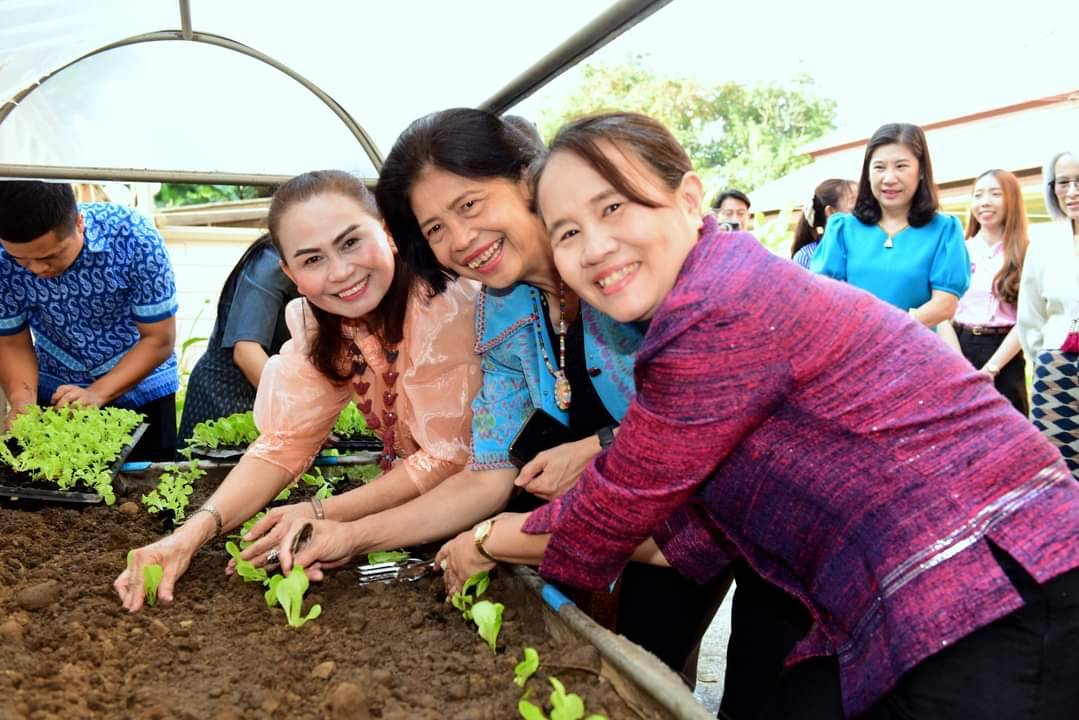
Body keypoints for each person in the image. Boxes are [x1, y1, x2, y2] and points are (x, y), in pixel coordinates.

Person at [436, 112, 1079, 720]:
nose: (595, 246)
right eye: (568, 232)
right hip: (928, 586)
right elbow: (694, 533)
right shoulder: (704, 294)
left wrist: (487, 539)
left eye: (614, 207)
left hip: (996, 577)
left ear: (690, 198)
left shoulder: (718, 304)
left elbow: (614, 506)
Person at [264, 108, 728, 680]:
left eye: (470, 204)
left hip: (709, 529)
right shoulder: (504, 308)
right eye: (435, 228)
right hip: (624, 529)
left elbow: (690, 479)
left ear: (528, 179)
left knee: (656, 672)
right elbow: (488, 474)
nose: (460, 240)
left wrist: (499, 534)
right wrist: (350, 536)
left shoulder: (625, 278)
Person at [116, 170, 481, 611]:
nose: (341, 272)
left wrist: (323, 512)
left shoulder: (442, 305)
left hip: (494, 512)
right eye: (312, 260)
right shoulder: (322, 326)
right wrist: (189, 535)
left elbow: (447, 456)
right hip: (429, 517)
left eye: (351, 242)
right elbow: (285, 444)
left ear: (386, 230)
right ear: (289, 272)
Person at [0, 181, 179, 461]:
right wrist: (23, 402)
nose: (37, 269)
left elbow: (159, 339)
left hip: (141, 383)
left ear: (79, 223)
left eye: (50, 256)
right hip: (57, 388)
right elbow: (11, 342)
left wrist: (97, 393)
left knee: (146, 479)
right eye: (21, 260)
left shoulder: (134, 237)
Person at [812, 123, 970, 328]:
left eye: (901, 166)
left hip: (913, 344)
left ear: (921, 170)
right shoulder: (842, 228)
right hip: (852, 343)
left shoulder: (944, 230)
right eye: (879, 167)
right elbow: (823, 296)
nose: (889, 178)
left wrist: (885, 332)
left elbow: (944, 305)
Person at [177, 234, 299, 444]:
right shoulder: (272, 259)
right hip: (226, 397)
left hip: (277, 395)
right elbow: (246, 351)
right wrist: (299, 415)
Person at [936, 170, 1029, 415]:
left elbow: (1027, 319)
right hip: (958, 347)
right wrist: (959, 364)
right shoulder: (958, 250)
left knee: (1010, 431)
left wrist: (991, 369)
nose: (985, 202)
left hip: (1005, 357)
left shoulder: (1028, 253)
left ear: (1012, 200)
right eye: (978, 195)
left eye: (995, 194)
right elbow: (942, 311)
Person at [1018, 149, 1079, 478]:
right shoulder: (1044, 243)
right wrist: (1043, 361)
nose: (1071, 191)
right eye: (1063, 182)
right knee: (1058, 476)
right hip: (1055, 372)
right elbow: (1030, 317)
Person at [791, 179, 857, 268]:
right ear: (831, 212)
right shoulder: (806, 257)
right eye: (855, 208)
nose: (865, 213)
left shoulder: (866, 247)